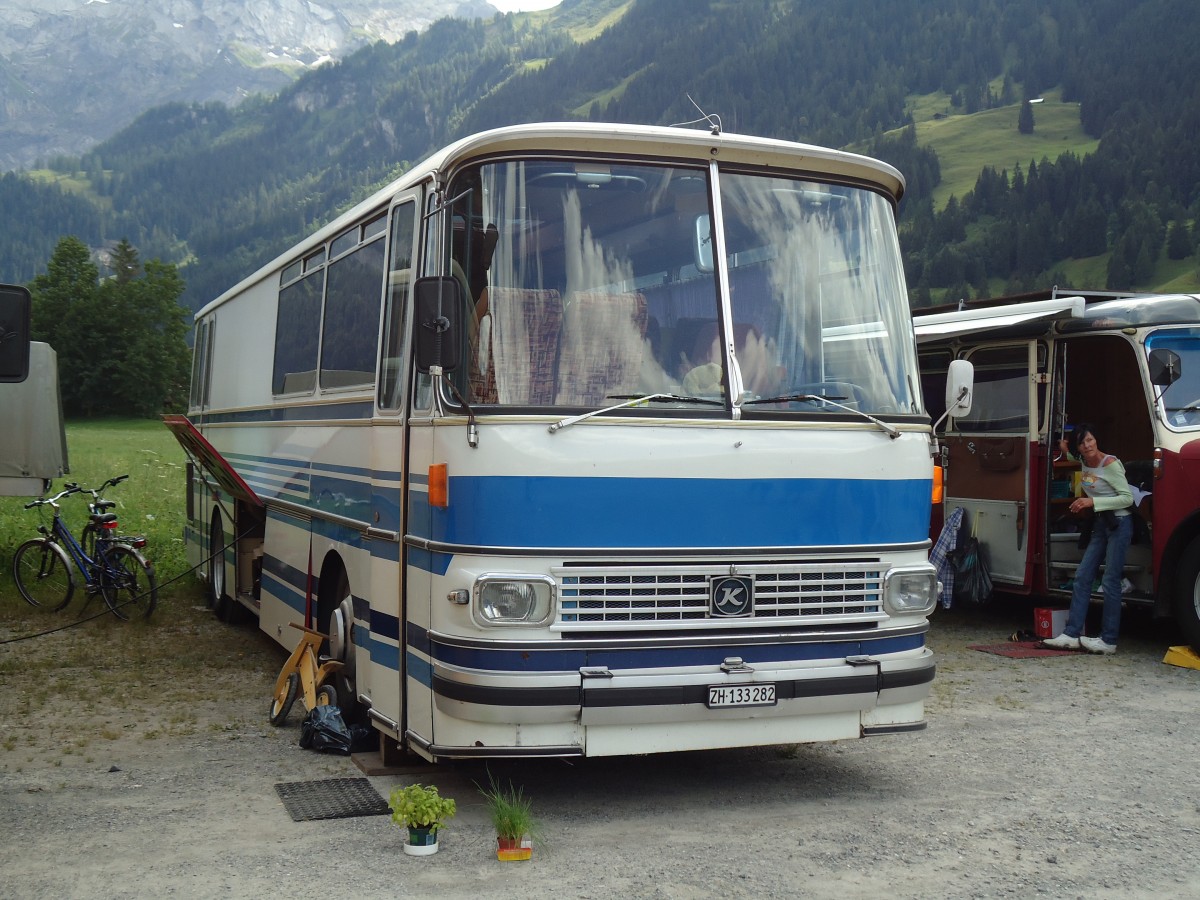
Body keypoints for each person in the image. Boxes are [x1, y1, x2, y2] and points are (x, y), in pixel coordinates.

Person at [1043, 423, 1134, 654]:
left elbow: (1127, 499)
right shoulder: (1082, 459)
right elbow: (1069, 449)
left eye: (1091, 440)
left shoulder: (1110, 464)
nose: (1088, 445)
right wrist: (1064, 447)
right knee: (1083, 577)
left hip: (1119, 523)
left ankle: (1109, 640)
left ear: (1097, 441)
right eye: (1083, 443)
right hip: (1101, 523)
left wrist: (1092, 502)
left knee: (1111, 581)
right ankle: (1072, 634)